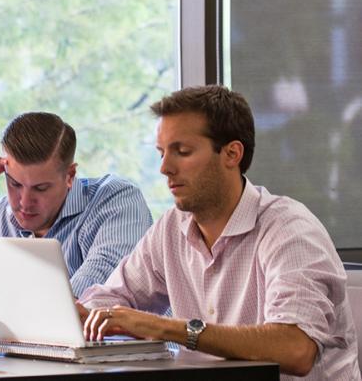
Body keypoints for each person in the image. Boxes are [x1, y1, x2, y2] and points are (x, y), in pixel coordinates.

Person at [78, 86, 361, 380]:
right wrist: (85, 315)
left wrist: (166, 328)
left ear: (231, 154)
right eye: (162, 153)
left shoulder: (289, 230)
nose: (164, 168)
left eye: (182, 151)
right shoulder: (171, 228)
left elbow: (295, 349)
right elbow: (112, 299)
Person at [0, 112, 152, 319]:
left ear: (70, 175)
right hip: (44, 360)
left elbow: (92, 296)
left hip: (133, 362)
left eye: (40, 188)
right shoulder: (0, 220)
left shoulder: (116, 200)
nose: (24, 202)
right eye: (14, 184)